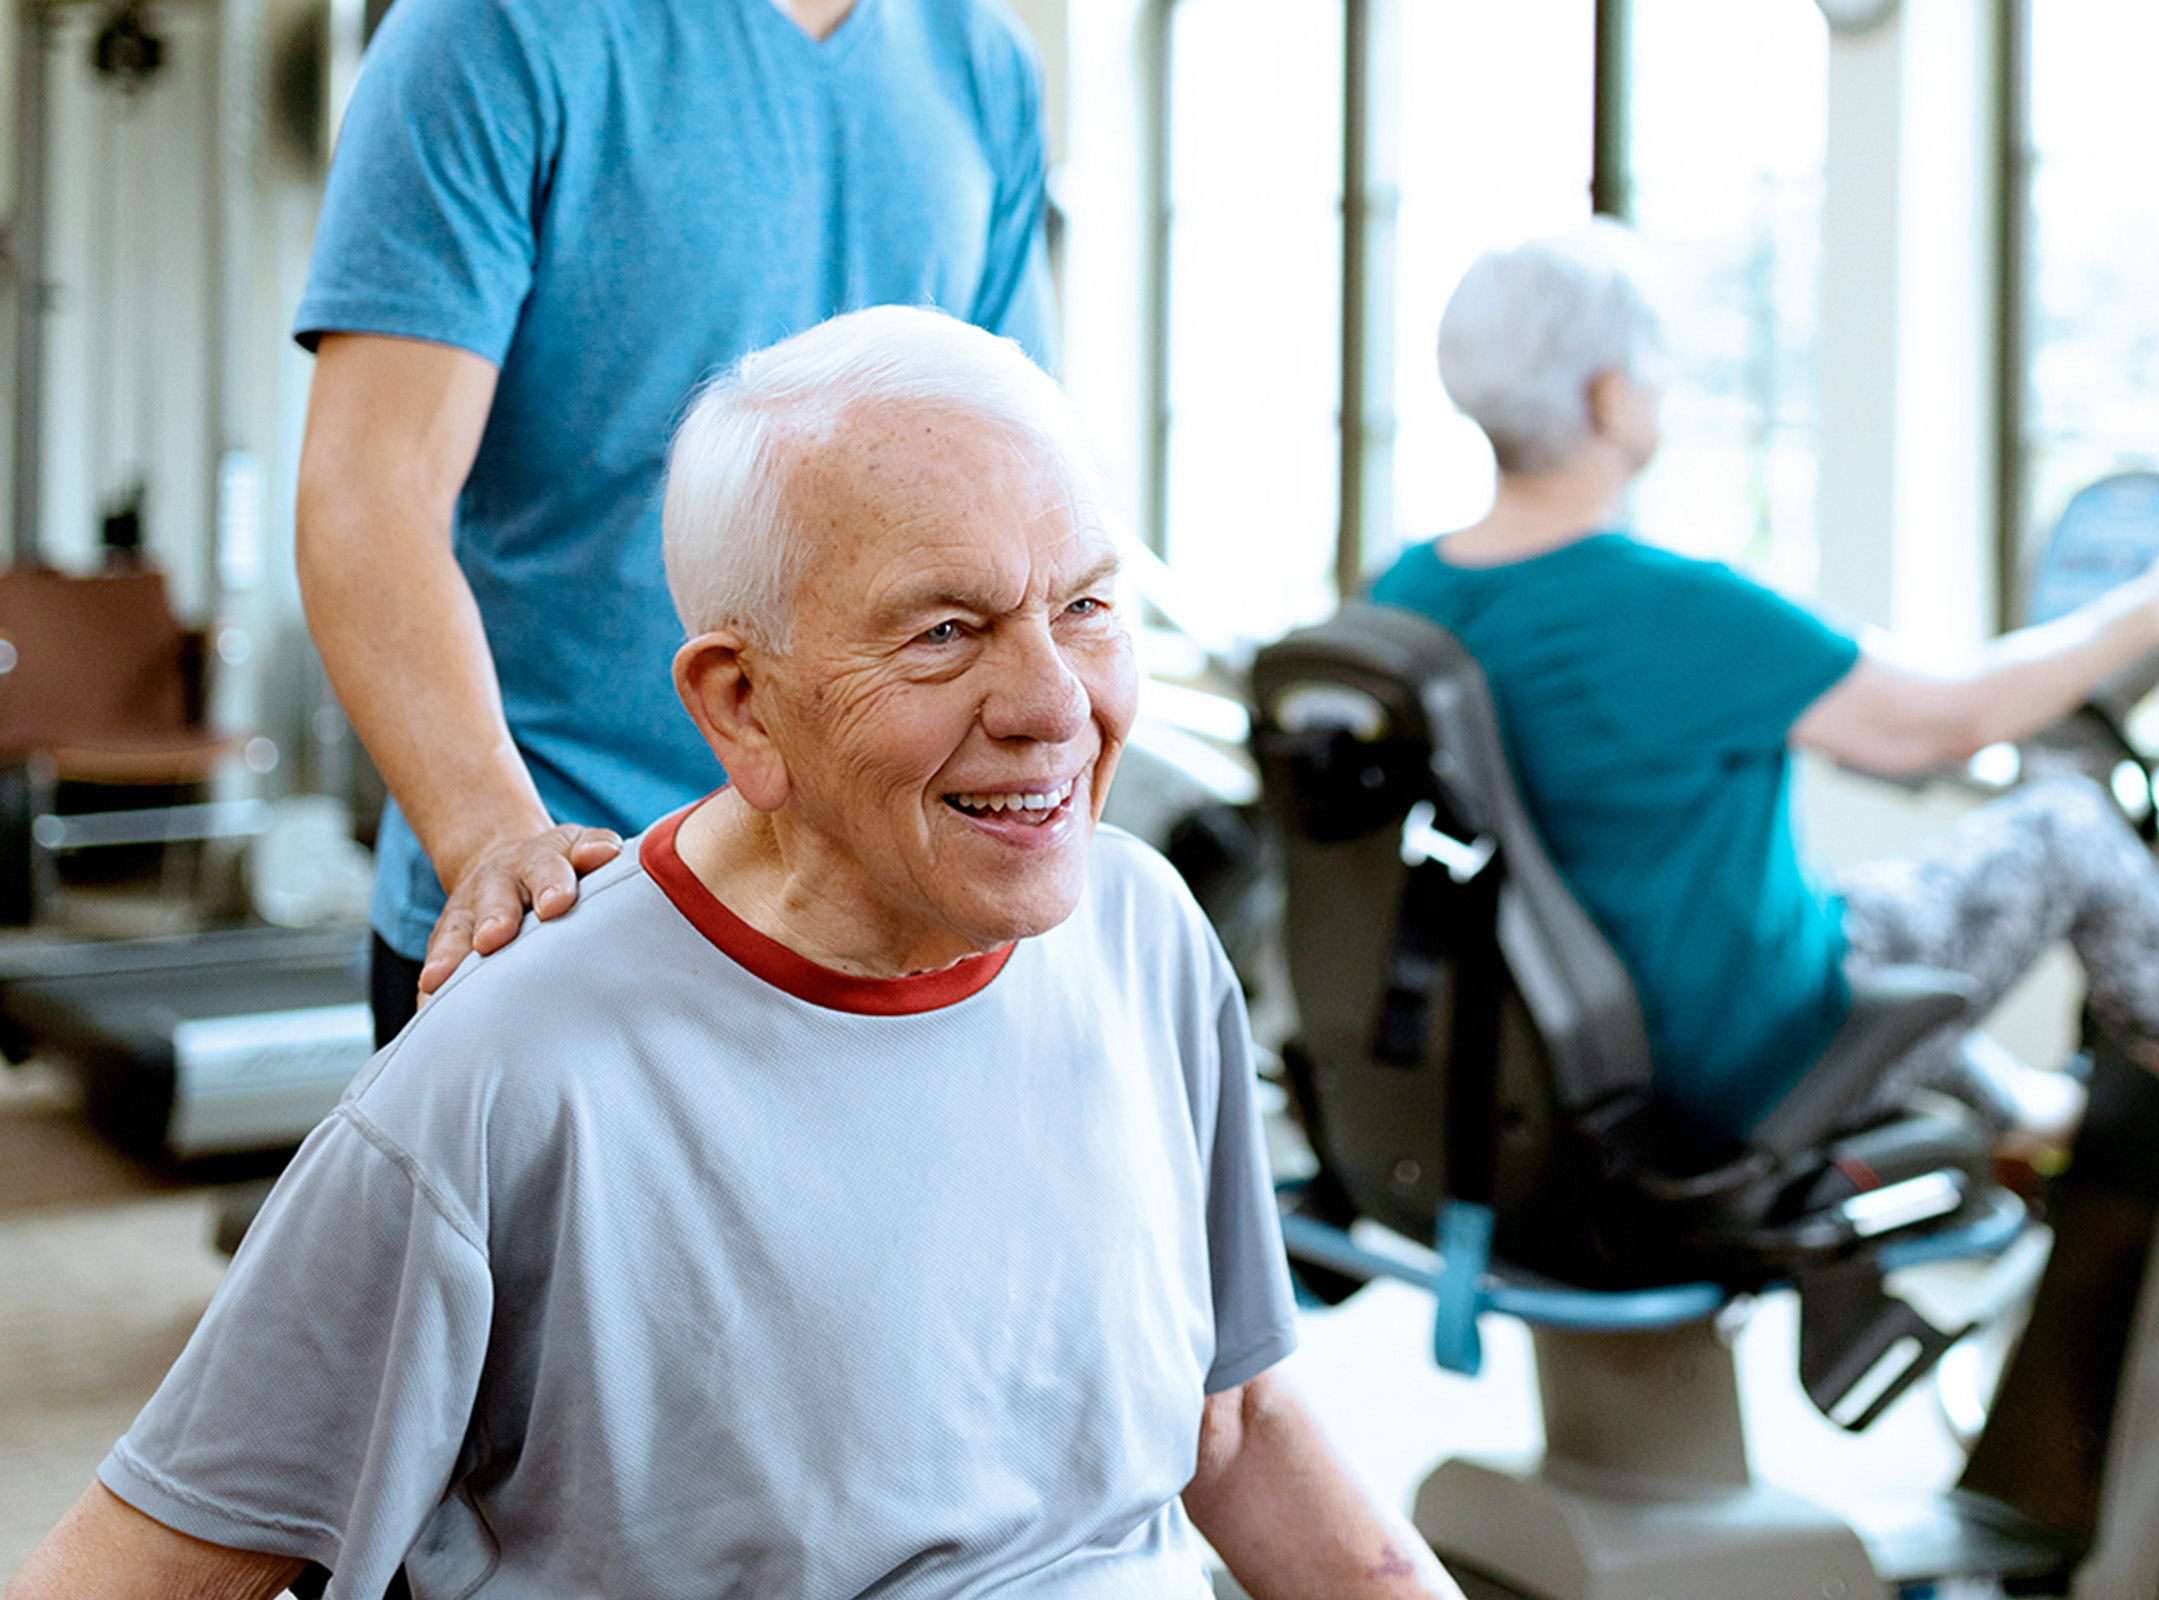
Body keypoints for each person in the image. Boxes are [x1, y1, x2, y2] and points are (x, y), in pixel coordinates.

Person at [5, 309, 1465, 1600]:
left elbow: (1237, 1423)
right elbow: (135, 1571)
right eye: (947, 633)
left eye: (1083, 606)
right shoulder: (505, 1082)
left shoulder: (1143, 930)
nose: (1052, 704)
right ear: (744, 708)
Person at [1370, 219, 2159, 1229]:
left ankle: (2037, 1116)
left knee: (1866, 919)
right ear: (1607, 392)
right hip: (1728, 1056)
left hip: (1534, 1046)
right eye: (1655, 361)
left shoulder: (1406, 592)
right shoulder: (1667, 604)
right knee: (2067, 830)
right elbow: (1950, 722)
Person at [293, 0, 1059, 1047]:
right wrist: (494, 845)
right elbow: (368, 492)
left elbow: (1024, 491)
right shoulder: (491, 32)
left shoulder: (982, 61)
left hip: (889, 906)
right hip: (573, 904)